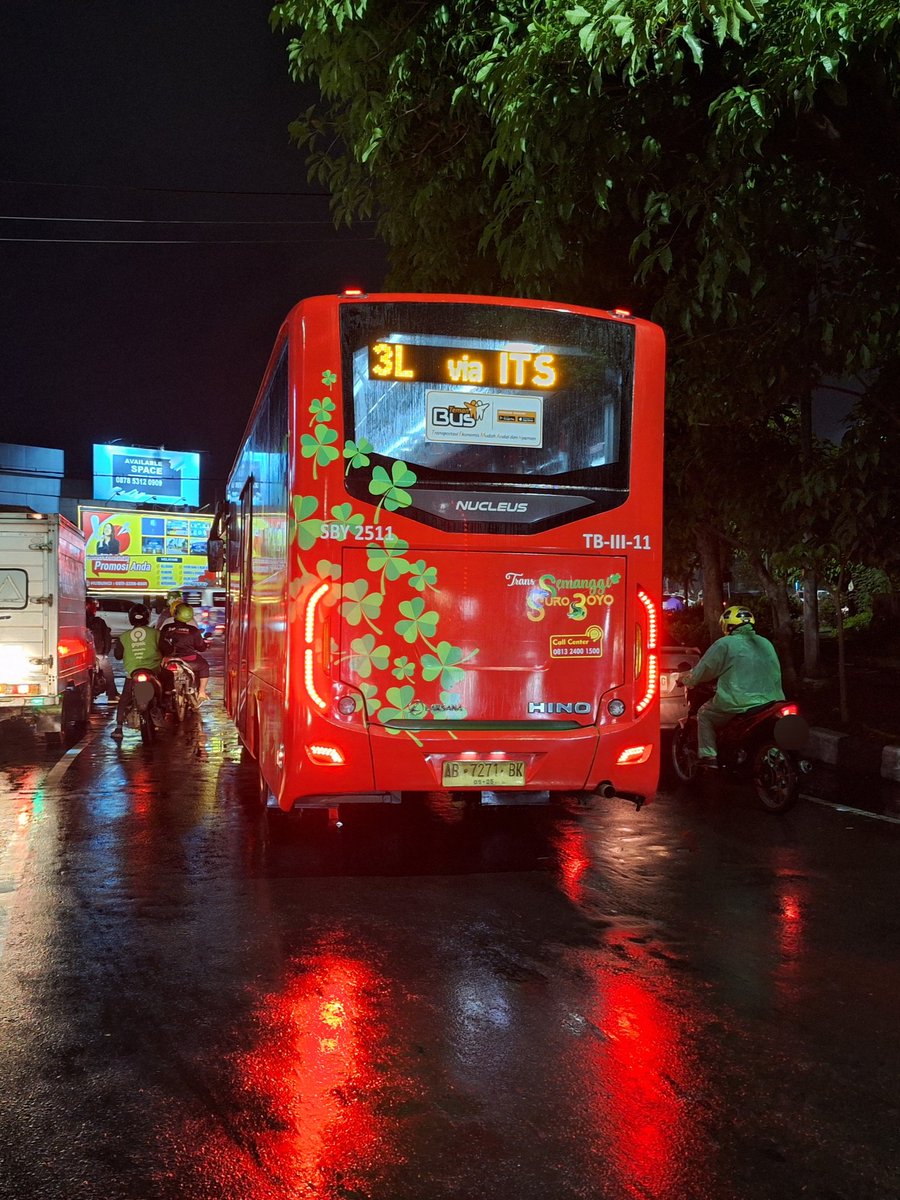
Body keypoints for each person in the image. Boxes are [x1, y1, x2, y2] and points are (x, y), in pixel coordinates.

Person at [675, 605, 784, 767]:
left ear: (728, 624)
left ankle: (709, 757)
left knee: (704, 714)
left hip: (738, 702)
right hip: (773, 700)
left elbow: (704, 671)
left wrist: (686, 679)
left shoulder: (725, 644)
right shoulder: (765, 643)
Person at [111, 603, 163, 739]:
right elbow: (167, 649)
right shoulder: (156, 633)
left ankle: (118, 728)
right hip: (153, 670)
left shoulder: (124, 636)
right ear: (147, 617)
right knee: (167, 687)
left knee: (125, 698)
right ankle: (162, 707)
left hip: (132, 672)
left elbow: (117, 655)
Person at [159, 603, 210, 702]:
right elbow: (201, 648)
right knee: (204, 666)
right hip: (189, 661)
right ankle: (202, 692)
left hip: (169, 660)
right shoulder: (193, 630)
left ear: (175, 613)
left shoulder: (166, 627)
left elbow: (160, 644)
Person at [85, 598, 119, 701]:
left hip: (84, 656)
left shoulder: (77, 621)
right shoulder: (98, 622)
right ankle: (112, 694)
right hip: (98, 654)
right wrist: (105, 653)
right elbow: (107, 638)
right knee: (108, 672)